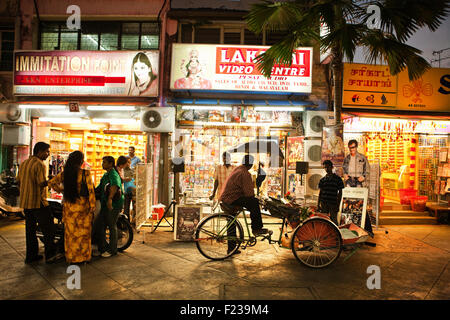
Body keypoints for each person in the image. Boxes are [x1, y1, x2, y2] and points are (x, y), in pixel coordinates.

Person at [17, 142, 63, 264]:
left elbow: (18, 181)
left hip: (26, 202)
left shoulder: (24, 163)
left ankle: (31, 256)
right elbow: (41, 183)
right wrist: (52, 180)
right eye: (47, 151)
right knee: (49, 229)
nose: (48, 154)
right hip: (38, 202)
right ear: (40, 151)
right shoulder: (40, 164)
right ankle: (50, 255)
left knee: (30, 230)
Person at [48, 151, 96, 264]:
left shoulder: (65, 174)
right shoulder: (85, 174)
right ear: (80, 161)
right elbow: (90, 191)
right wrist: (92, 206)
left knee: (71, 235)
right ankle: (83, 257)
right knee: (83, 234)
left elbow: (51, 182)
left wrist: (61, 190)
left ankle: (71, 257)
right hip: (83, 209)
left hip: (69, 209)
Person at [220, 155, 271, 237]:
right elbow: (249, 194)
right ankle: (257, 228)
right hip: (231, 199)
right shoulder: (244, 173)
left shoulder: (238, 169)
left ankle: (231, 249)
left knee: (231, 222)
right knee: (254, 202)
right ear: (251, 165)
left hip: (227, 198)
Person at [94, 156, 124, 258]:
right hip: (105, 204)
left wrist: (110, 199)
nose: (103, 164)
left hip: (113, 204)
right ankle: (103, 248)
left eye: (104, 162)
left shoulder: (113, 174)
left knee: (111, 226)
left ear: (111, 164)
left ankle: (112, 250)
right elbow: (100, 187)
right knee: (100, 225)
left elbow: (115, 186)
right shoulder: (106, 174)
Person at [318, 160, 344, 225]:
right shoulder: (322, 180)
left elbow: (340, 193)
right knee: (324, 220)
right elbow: (320, 193)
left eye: (328, 167)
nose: (326, 169)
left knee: (334, 221)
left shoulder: (338, 179)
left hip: (333, 203)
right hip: (324, 203)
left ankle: (336, 234)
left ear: (332, 167)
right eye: (325, 168)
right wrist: (318, 203)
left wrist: (338, 204)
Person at [122, 157, 136, 225]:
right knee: (126, 208)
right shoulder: (122, 171)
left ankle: (134, 222)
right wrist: (124, 179)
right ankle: (126, 223)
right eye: (126, 162)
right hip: (126, 192)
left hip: (134, 191)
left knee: (135, 208)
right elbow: (120, 180)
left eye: (129, 162)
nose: (127, 164)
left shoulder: (133, 170)